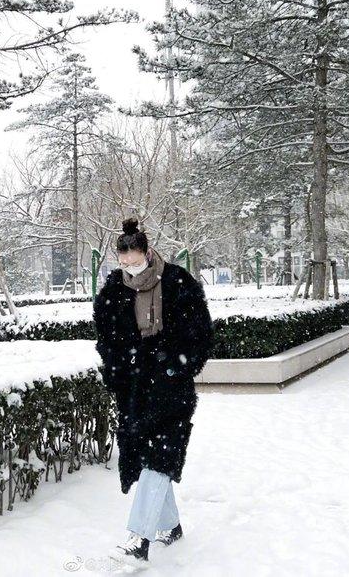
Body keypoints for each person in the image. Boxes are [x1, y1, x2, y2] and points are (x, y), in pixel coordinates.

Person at [93, 217, 214, 567]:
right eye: (123, 261)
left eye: (135, 259)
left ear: (147, 252)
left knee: (162, 454)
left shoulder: (177, 282)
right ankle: (170, 526)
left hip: (171, 385)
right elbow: (106, 339)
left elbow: (201, 332)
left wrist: (177, 363)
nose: (129, 267)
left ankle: (138, 539)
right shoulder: (113, 290)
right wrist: (118, 372)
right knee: (148, 456)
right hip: (135, 388)